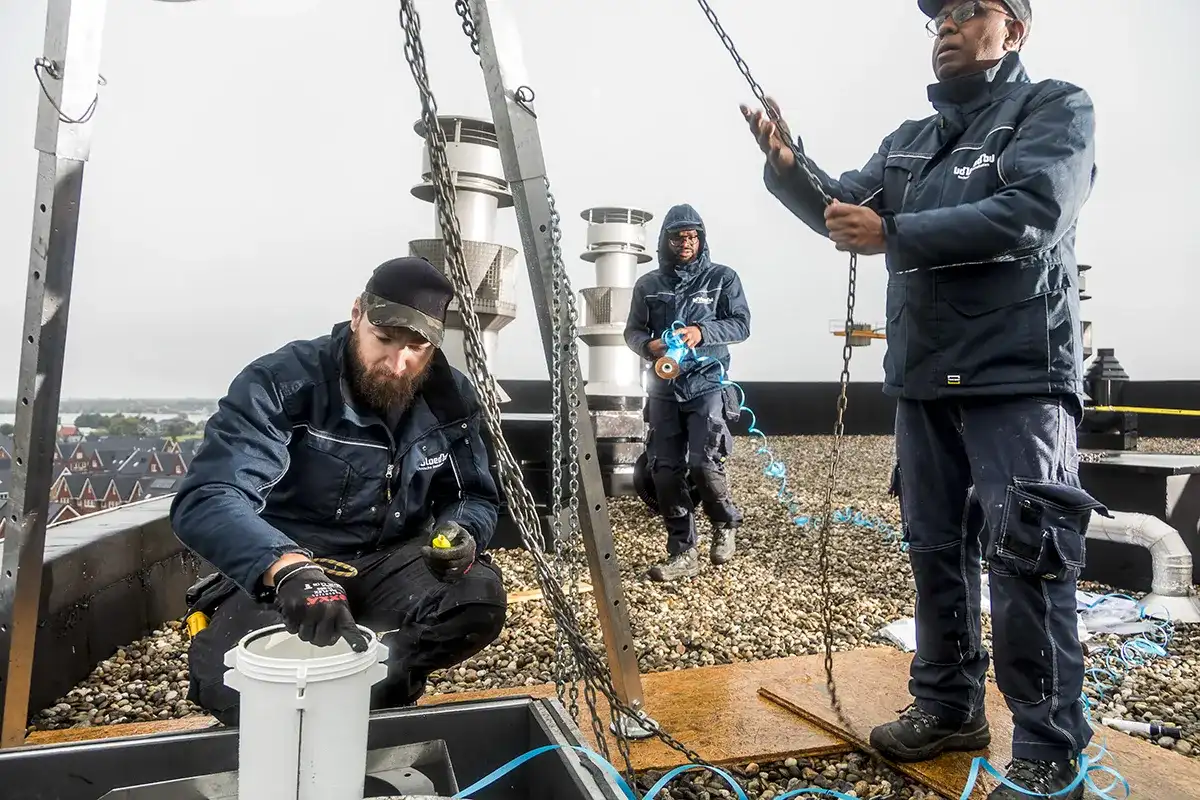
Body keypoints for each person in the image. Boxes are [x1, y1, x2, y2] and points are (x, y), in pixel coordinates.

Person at [743, 2, 1103, 797]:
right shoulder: (908, 139)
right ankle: (947, 704)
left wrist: (896, 233)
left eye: (973, 8)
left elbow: (1034, 212)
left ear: (1015, 31)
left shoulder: (1054, 108)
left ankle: (1047, 746)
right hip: (921, 379)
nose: (947, 22)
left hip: (1018, 376)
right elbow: (846, 210)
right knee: (934, 547)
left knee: (1028, 560)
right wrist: (789, 166)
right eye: (939, 13)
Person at [171, 257, 508, 726]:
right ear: (357, 315)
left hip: (389, 561)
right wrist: (286, 568)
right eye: (385, 339)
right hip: (292, 567)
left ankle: (374, 682)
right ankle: (346, 683)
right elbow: (208, 495)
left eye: (416, 347)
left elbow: (475, 495)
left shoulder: (451, 398)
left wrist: (462, 530)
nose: (397, 363)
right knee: (227, 686)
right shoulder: (283, 384)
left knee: (476, 598)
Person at [624, 203, 751, 582]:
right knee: (664, 470)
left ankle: (726, 522)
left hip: (708, 383)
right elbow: (632, 331)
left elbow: (742, 324)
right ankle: (683, 552)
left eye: (692, 236)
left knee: (703, 463)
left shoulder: (722, 278)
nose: (686, 243)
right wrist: (649, 348)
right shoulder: (648, 286)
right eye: (678, 236)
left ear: (701, 239)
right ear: (665, 240)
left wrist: (701, 333)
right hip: (663, 387)